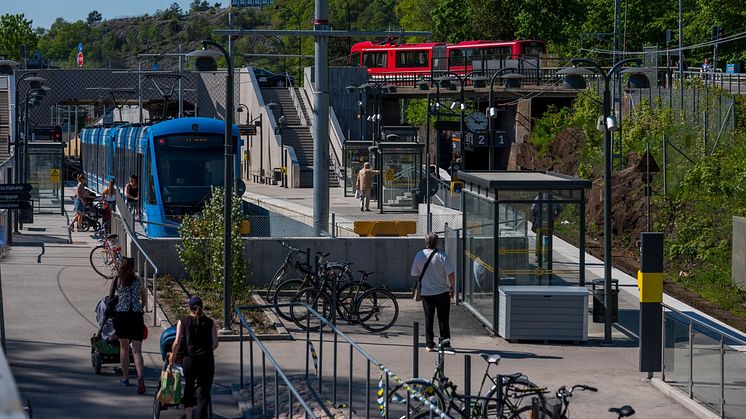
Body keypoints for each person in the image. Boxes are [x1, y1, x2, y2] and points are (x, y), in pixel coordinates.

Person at [169, 296, 218, 419]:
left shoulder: (183, 321)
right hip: (206, 361)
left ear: (189, 308)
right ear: (202, 307)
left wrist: (172, 357)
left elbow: (177, 342)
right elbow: (215, 343)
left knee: (189, 388)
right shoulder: (210, 322)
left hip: (189, 360)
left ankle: (189, 417)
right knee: (203, 392)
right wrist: (206, 350)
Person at [411, 232, 456, 354]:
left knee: (428, 318)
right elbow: (451, 274)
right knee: (443, 319)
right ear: (437, 242)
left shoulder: (419, 255)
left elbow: (414, 273)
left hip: (426, 292)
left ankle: (429, 344)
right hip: (442, 292)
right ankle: (445, 344)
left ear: (425, 242)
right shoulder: (443, 256)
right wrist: (453, 288)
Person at [109, 257, 147, 394]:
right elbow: (144, 299)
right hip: (136, 316)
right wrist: (138, 308)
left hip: (122, 316)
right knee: (137, 350)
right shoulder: (139, 280)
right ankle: (140, 377)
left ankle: (125, 378)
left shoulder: (117, 280)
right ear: (132, 267)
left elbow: (111, 299)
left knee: (124, 348)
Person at [530, 193, 562, 261]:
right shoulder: (541, 198)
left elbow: (533, 209)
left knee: (542, 239)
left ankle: (542, 256)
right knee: (544, 239)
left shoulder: (541, 198)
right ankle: (543, 256)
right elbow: (533, 209)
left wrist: (555, 216)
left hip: (545, 222)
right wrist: (555, 216)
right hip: (544, 222)